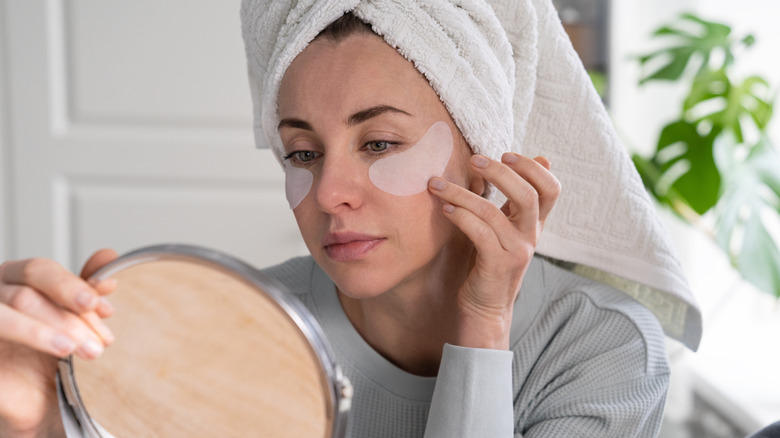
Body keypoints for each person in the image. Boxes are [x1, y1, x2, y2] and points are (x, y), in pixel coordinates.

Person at [0, 0, 702, 437]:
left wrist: (483, 325)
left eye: (380, 143)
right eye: (301, 151)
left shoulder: (600, 350)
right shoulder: (242, 322)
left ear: (487, 156)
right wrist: (36, 425)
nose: (328, 191)